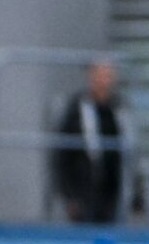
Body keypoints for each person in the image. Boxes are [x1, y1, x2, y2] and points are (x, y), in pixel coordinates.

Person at [53, 59, 126, 224]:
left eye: (107, 76)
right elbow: (62, 155)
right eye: (98, 76)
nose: (103, 81)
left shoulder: (119, 109)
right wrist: (69, 195)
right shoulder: (77, 108)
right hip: (83, 187)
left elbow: (129, 149)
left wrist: (136, 191)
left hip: (111, 189)